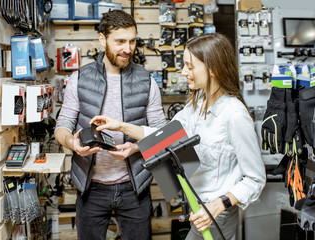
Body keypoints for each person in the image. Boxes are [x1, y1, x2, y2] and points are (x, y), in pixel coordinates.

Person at [90, 33, 266, 240]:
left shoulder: (235, 115)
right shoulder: (198, 101)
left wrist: (219, 205)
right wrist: (121, 127)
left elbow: (255, 179)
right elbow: (167, 135)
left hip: (216, 214)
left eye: (190, 66)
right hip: (197, 206)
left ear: (213, 68)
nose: (183, 72)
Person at [54, 10, 166, 240]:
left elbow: (162, 135)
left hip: (135, 187)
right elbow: (62, 125)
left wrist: (136, 148)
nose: (128, 48)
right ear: (102, 39)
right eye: (120, 41)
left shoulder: (147, 82)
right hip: (91, 188)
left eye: (132, 41)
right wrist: (72, 144)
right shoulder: (79, 79)